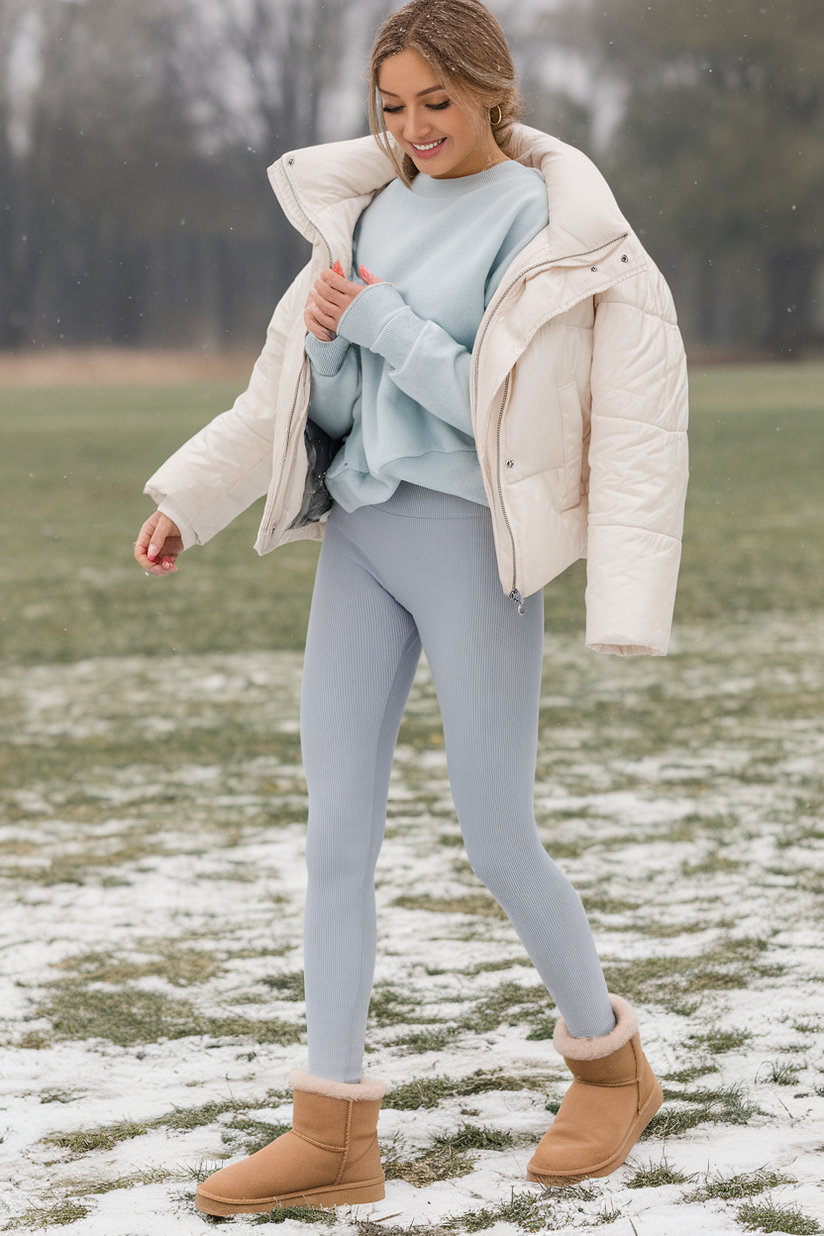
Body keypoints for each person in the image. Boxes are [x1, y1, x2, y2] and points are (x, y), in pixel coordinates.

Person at [134, 0, 688, 1217]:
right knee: (336, 836)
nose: (412, 127)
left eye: (435, 101)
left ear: (494, 91)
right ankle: (332, 1125)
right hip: (363, 541)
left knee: (494, 836)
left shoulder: (542, 229)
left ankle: (608, 1064)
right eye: (391, 107)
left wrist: (375, 321)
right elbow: (301, 394)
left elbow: (486, 400)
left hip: (471, 546)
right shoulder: (368, 210)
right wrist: (192, 493)